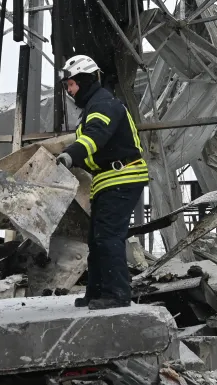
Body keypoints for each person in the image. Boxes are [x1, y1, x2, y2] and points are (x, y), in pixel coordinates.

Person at [56, 55, 149, 310]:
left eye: (71, 84)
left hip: (122, 177)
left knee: (108, 237)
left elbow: (95, 137)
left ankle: (117, 295)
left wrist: (70, 155)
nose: (69, 91)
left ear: (85, 80)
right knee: (97, 240)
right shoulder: (94, 106)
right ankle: (96, 292)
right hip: (107, 179)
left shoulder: (103, 105)